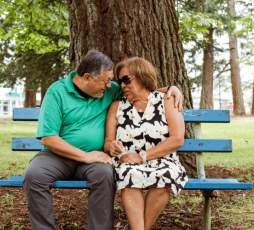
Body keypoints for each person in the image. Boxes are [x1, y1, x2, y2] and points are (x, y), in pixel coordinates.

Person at [23, 50, 183, 230]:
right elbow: (48, 138)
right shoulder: (57, 92)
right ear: (87, 77)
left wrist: (171, 89)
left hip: (96, 158)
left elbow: (143, 90)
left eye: (111, 80)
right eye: (106, 81)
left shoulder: (109, 90)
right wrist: (85, 156)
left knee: (104, 175)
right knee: (34, 176)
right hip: (58, 156)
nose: (110, 85)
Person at [104, 57, 188, 230]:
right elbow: (108, 142)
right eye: (120, 81)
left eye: (126, 79)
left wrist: (142, 156)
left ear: (142, 76)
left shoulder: (166, 100)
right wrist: (111, 147)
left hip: (163, 160)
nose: (122, 85)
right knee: (128, 173)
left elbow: (177, 139)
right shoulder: (117, 106)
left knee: (165, 176)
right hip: (127, 161)